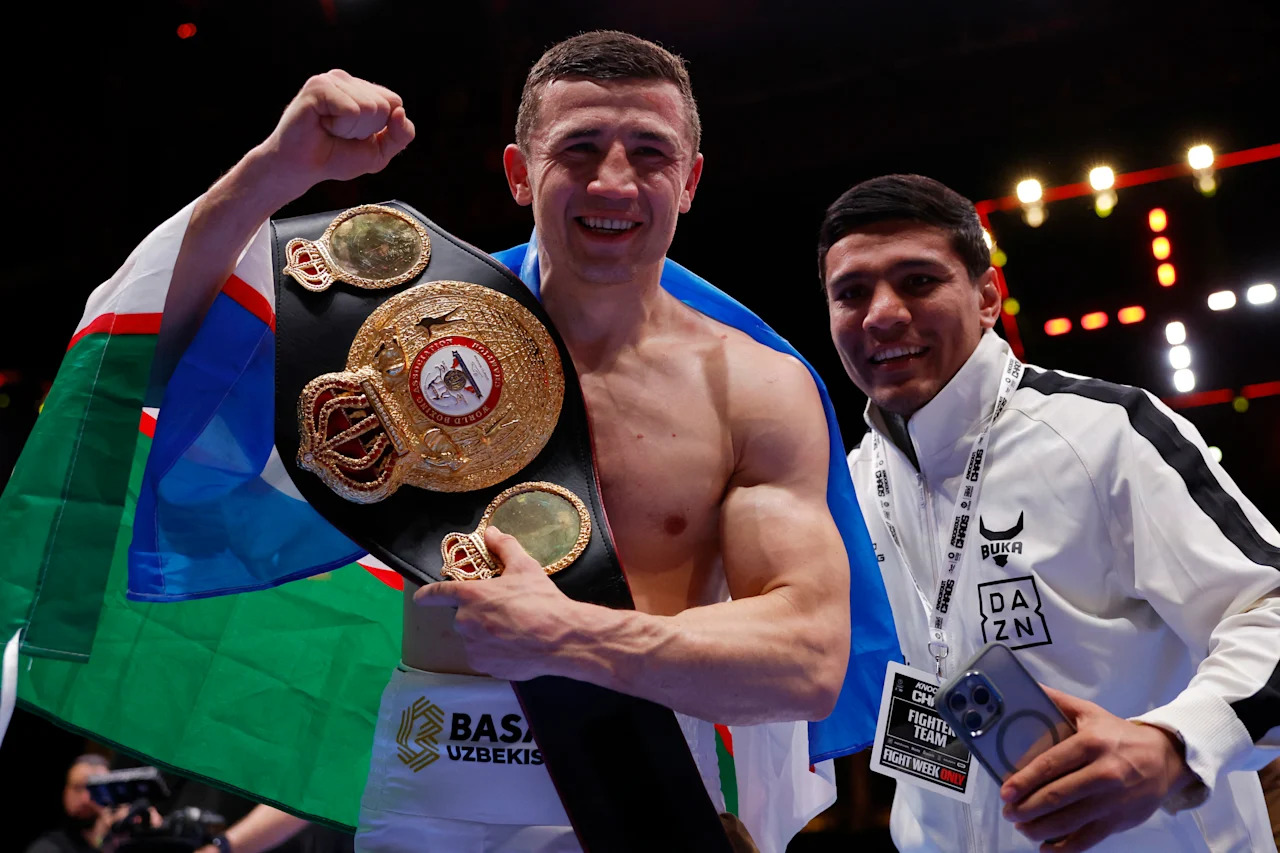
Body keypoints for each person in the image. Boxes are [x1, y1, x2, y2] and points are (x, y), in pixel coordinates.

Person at [158, 31, 864, 852]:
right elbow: (158, 361)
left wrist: (571, 635)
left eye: (649, 152)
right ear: (519, 172)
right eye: (579, 148)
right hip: (436, 795)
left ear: (691, 180)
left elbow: (809, 658)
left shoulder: (755, 390)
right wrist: (276, 170)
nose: (614, 180)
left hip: (645, 790)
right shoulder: (397, 332)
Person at [819, 174, 1279, 851]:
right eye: (851, 292)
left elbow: (1270, 608)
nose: (881, 314)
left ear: (986, 298)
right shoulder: (847, 488)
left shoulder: (1104, 434)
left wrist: (1171, 746)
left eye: (917, 281)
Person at [24, 754, 123, 853]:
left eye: (96, 790)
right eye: (78, 788)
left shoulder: (124, 842)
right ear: (65, 793)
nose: (86, 799)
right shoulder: (46, 848)